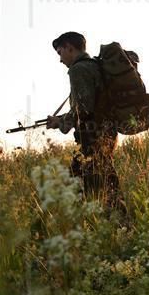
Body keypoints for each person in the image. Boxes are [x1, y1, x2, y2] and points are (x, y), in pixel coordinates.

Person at [46, 32, 121, 209]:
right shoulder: (95, 66)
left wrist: (60, 122)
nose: (60, 59)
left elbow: (83, 109)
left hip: (92, 136)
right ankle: (114, 224)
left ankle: (119, 224)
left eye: (60, 52)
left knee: (79, 186)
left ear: (69, 48)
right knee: (102, 181)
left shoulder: (78, 69)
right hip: (106, 131)